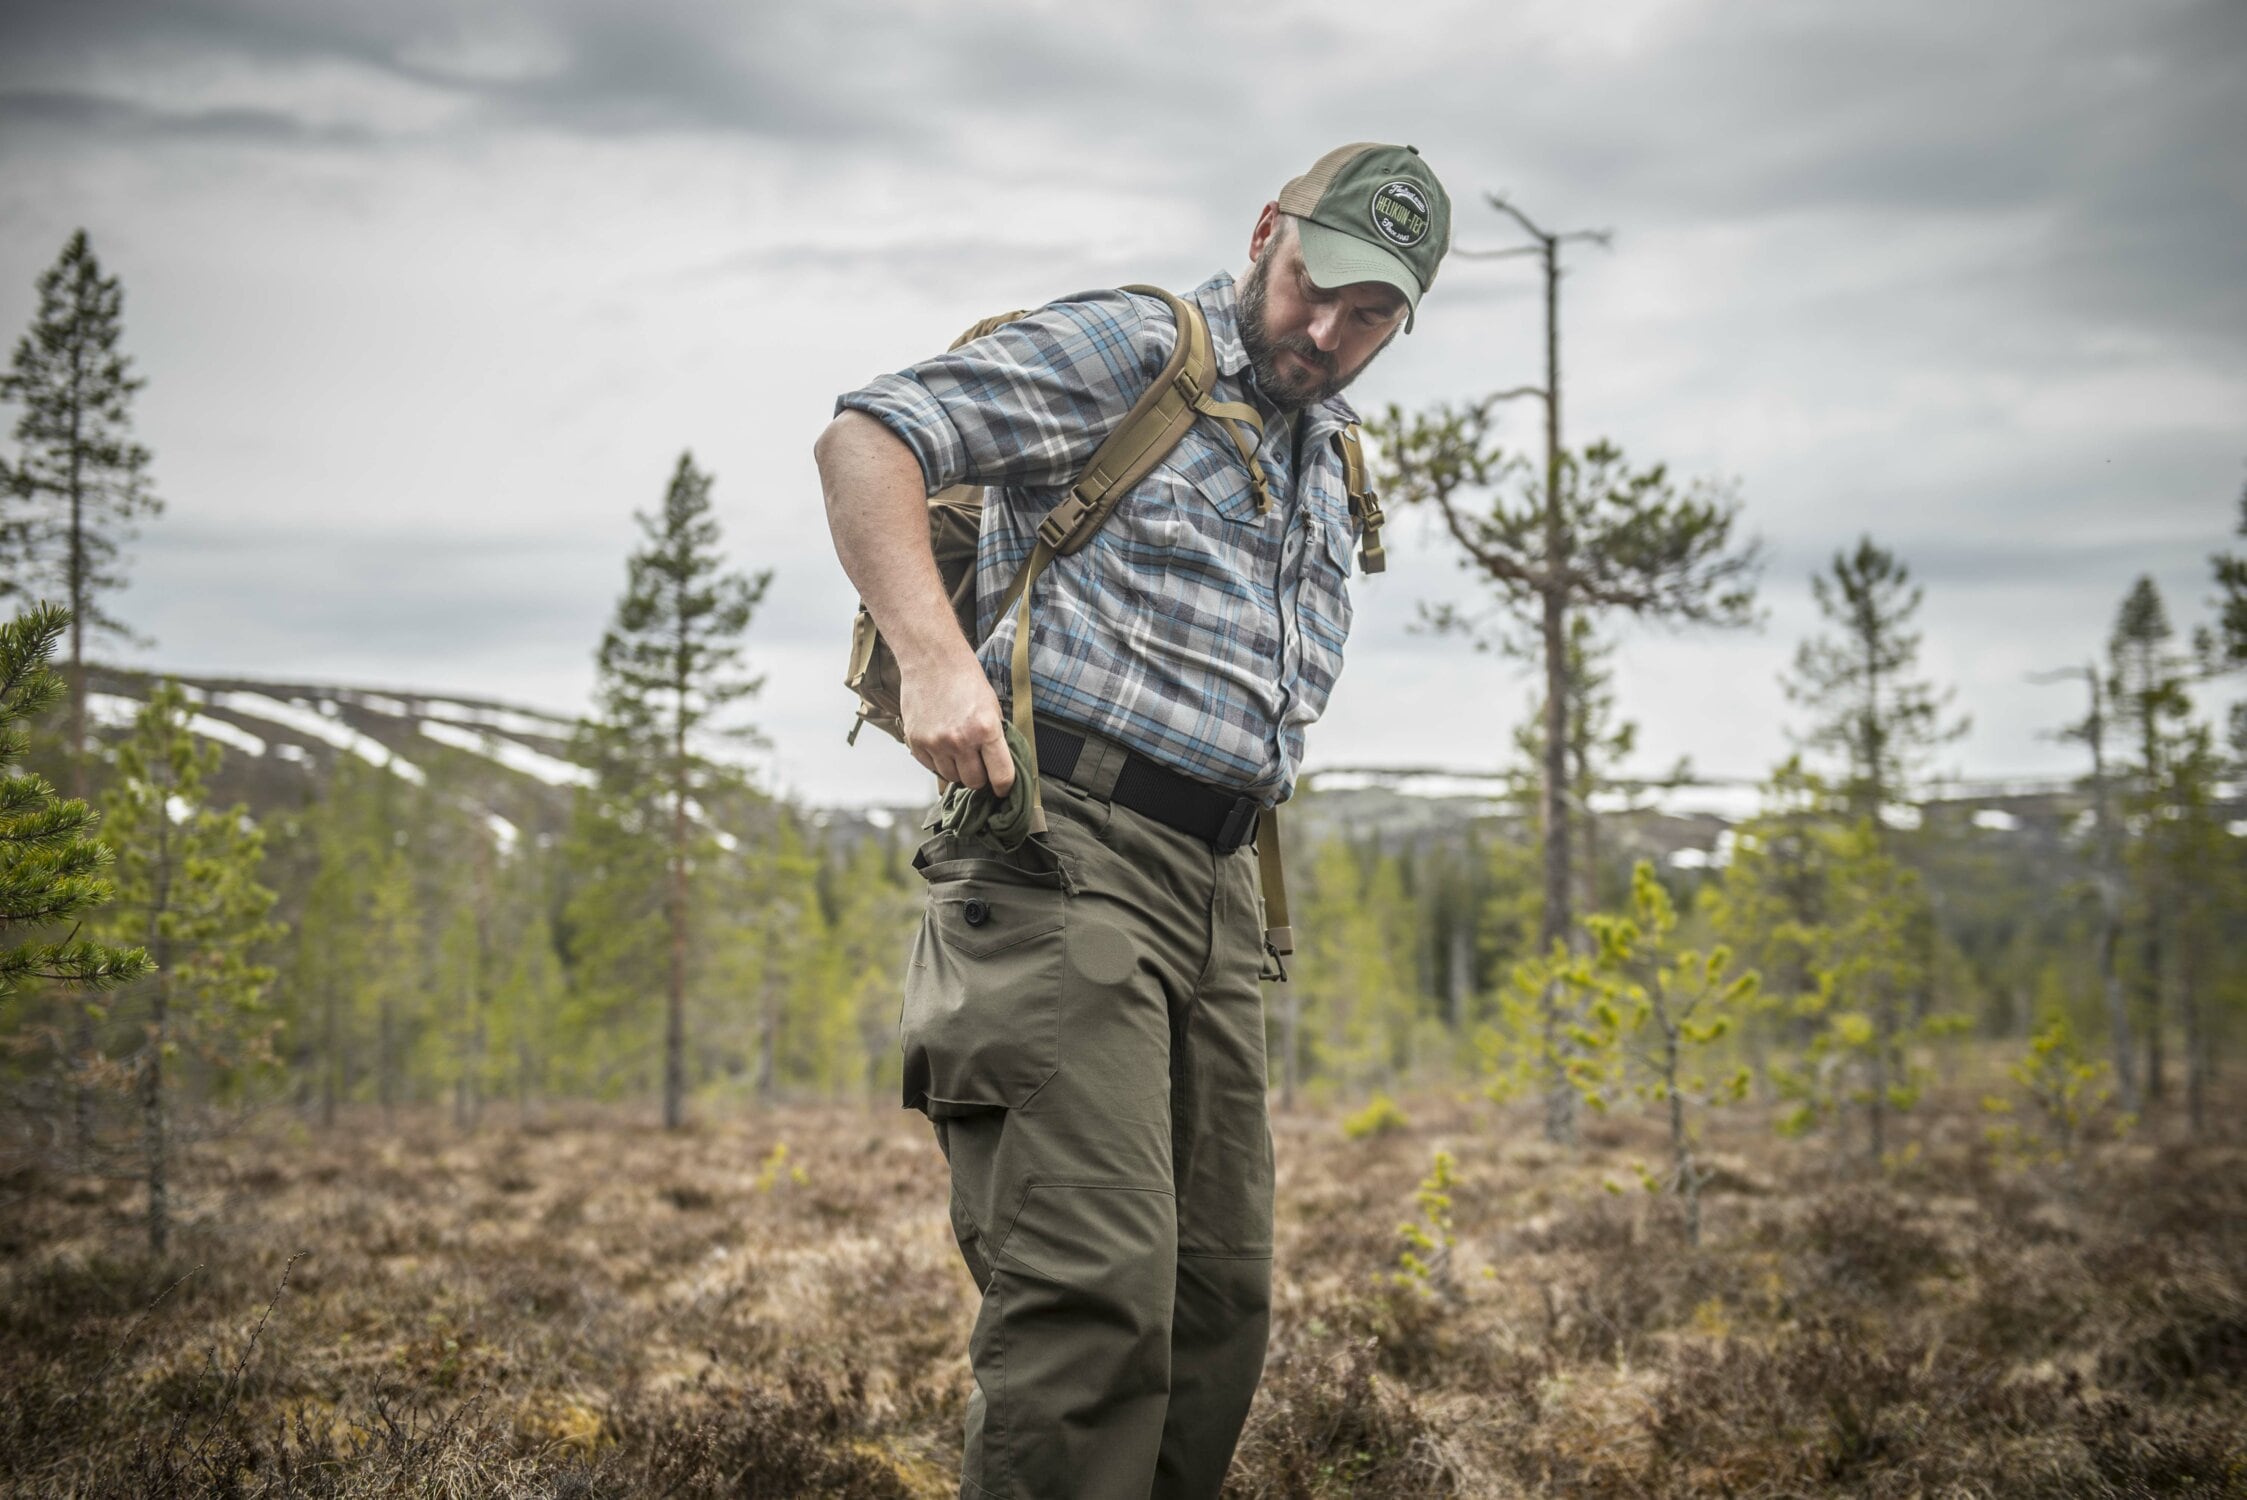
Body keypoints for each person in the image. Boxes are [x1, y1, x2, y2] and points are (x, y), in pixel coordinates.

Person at [814, 142, 1451, 1500]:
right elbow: (868, 436)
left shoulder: (1328, 445)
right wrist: (932, 656)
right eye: (1314, 288)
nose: (1328, 333)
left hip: (1219, 889)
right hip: (1063, 857)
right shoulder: (1136, 346)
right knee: (1088, 1294)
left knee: (1218, 1300)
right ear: (1270, 229)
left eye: (1372, 317)